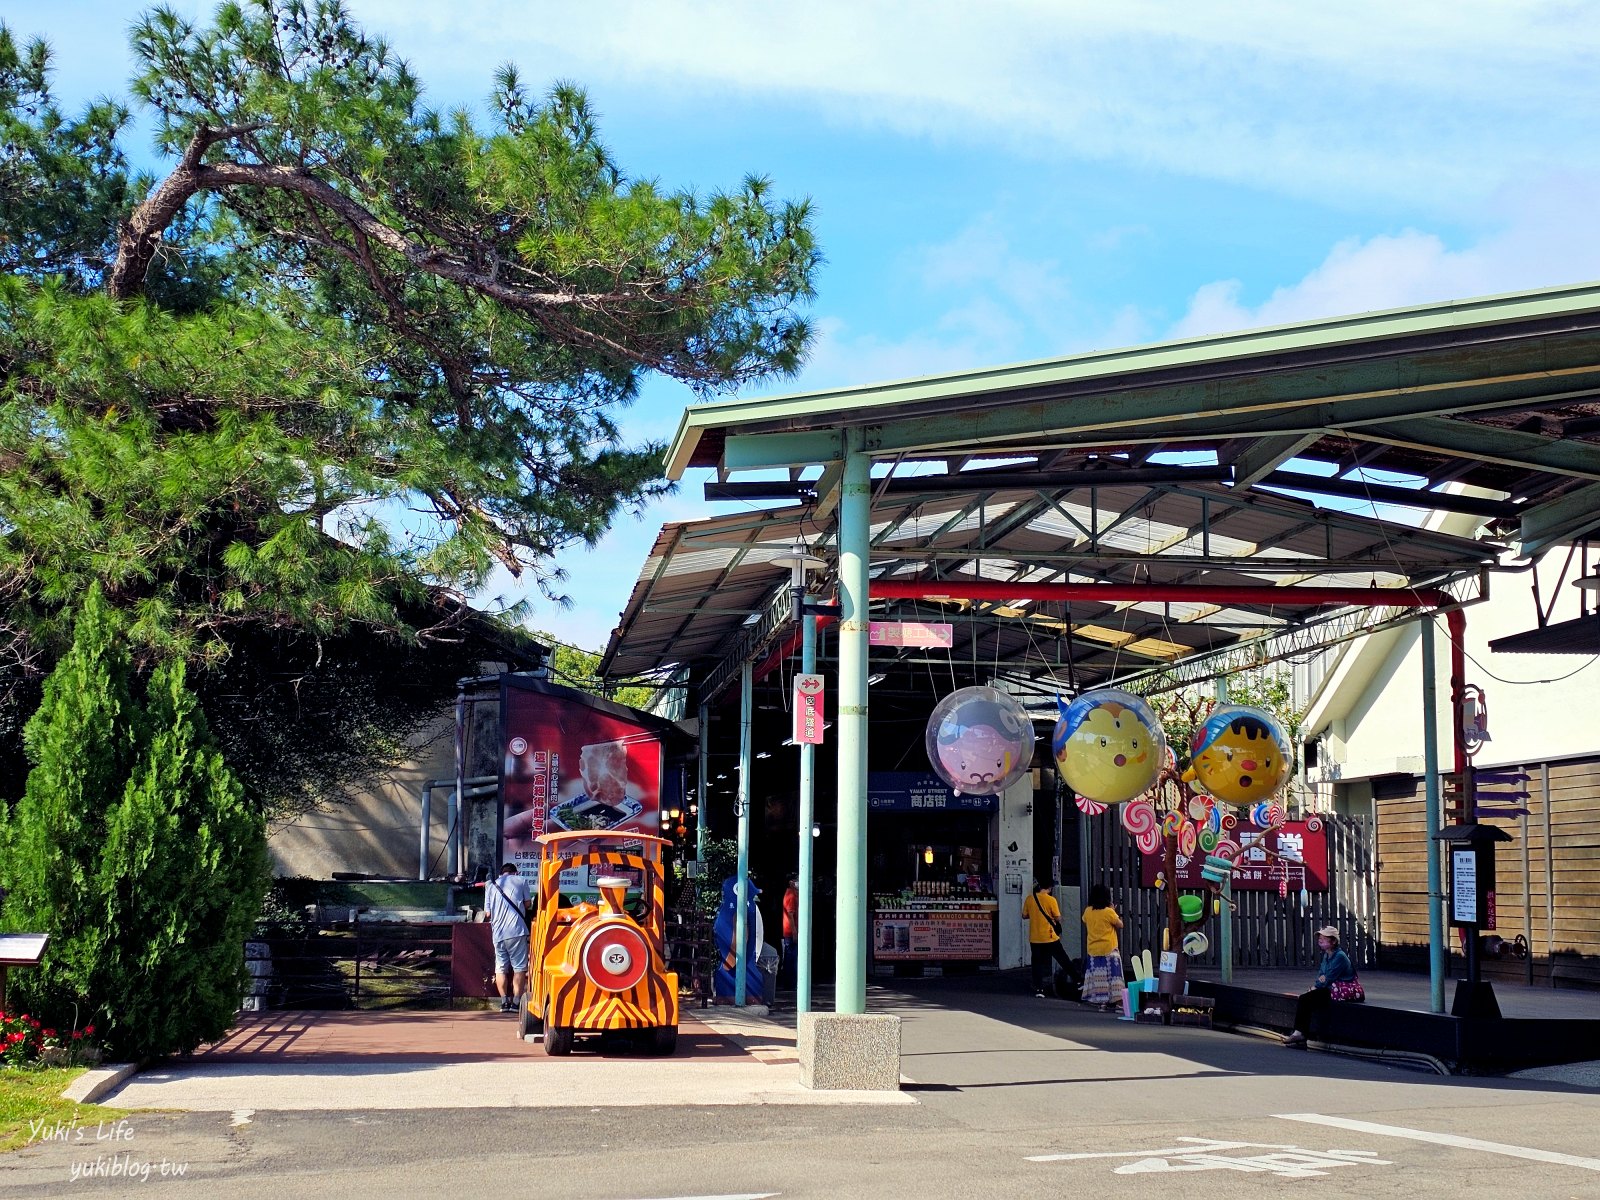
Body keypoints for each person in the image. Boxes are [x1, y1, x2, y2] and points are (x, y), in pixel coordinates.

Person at [1285, 925, 1357, 1046]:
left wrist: (1317, 985)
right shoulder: (1327, 955)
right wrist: (1319, 983)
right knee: (1306, 997)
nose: (1320, 939)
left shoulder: (1340, 956)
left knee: (1305, 998)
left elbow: (1327, 978)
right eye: (1320, 936)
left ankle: (1299, 1034)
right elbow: (1321, 976)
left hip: (1338, 990)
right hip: (1330, 988)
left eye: (1324, 937)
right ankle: (1300, 1033)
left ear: (1333, 941)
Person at [482, 862, 532, 1013]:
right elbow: (528, 904)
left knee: (501, 967)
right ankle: (516, 1002)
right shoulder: (521, 881)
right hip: (516, 931)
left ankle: (504, 1001)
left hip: (498, 933)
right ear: (515, 873)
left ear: (501, 873)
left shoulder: (491, 886)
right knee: (519, 967)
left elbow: (487, 914)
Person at [1022, 879, 1073, 997]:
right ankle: (1078, 979)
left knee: (1037, 963)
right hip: (1050, 936)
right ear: (1049, 888)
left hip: (1035, 937)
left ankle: (1039, 989)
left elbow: (1024, 915)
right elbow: (1058, 918)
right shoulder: (1051, 900)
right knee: (1062, 958)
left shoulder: (1030, 899)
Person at [1080, 884, 1125, 1010]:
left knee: (1099, 978)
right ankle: (1117, 1002)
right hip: (1109, 949)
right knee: (1114, 978)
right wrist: (1113, 910)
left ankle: (1102, 1002)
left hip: (1093, 950)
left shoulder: (1088, 911)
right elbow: (1120, 925)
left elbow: (1084, 920)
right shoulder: (1109, 912)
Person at [780, 876, 799, 986]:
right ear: (791, 882)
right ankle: (790, 983)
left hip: (790, 931)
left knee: (789, 957)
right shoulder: (791, 895)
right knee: (791, 958)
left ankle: (789, 983)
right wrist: (794, 932)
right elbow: (790, 915)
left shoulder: (792, 894)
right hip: (791, 932)